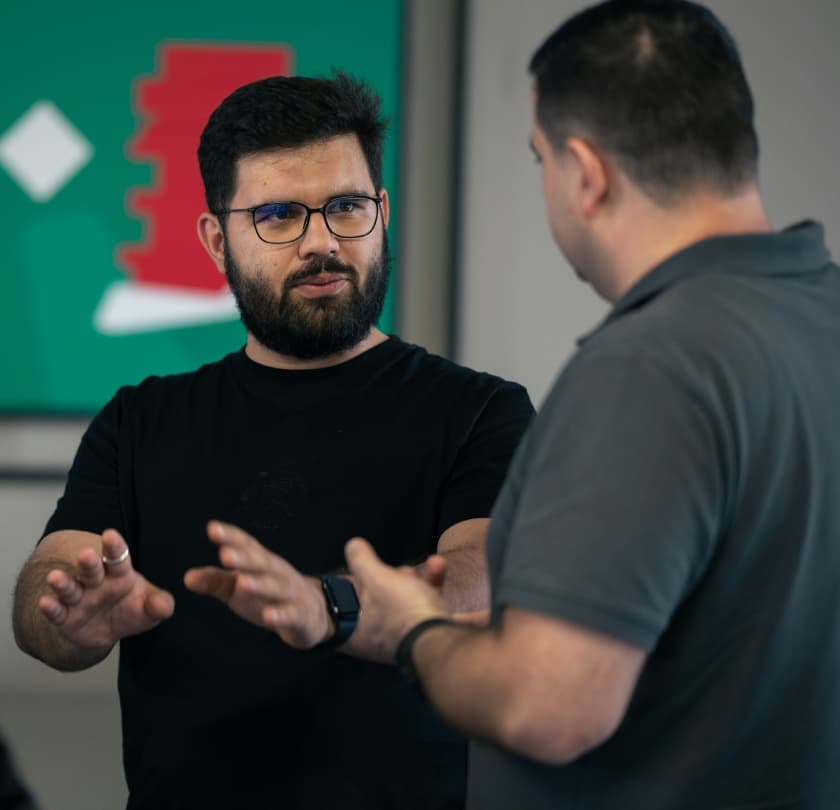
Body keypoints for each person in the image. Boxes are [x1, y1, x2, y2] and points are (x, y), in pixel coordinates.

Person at [344, 1, 840, 808]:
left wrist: (412, 630)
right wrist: (509, 635)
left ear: (586, 171)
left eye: (541, 159)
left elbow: (551, 707)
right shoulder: (820, 318)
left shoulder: (651, 367)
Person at [11, 72, 534, 810]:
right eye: (279, 215)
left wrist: (331, 607)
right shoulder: (140, 421)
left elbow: (482, 576)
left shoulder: (482, 410)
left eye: (347, 207)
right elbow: (52, 585)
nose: (321, 242)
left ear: (382, 214)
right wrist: (67, 615)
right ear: (216, 241)